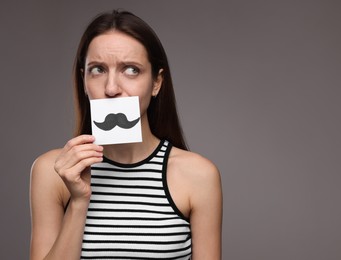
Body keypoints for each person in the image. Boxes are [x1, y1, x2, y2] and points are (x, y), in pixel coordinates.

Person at [30, 10, 222, 260]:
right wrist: (78, 203)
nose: (111, 88)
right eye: (97, 69)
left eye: (131, 70)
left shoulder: (199, 176)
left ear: (156, 83)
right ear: (84, 81)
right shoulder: (52, 171)